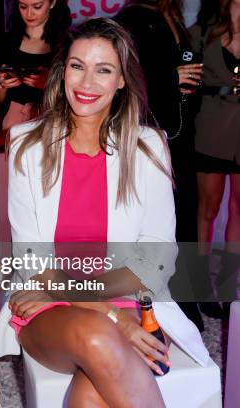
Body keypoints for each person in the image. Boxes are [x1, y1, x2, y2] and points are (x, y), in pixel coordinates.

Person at [0, 18, 210, 406]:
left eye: (103, 69)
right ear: (62, 73)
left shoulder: (147, 146)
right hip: (46, 306)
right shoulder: (27, 144)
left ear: (122, 79)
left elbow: (159, 255)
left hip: (116, 299)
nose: (86, 82)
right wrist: (109, 315)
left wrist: (104, 307)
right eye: (77, 66)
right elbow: (31, 260)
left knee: (93, 390)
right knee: (98, 335)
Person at [116, 0, 217, 327]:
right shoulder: (133, 18)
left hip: (181, 133)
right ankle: (170, 307)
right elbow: (129, 77)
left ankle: (188, 301)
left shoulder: (171, 16)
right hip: (154, 136)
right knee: (165, 224)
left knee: (185, 219)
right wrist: (170, 79)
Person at [191, 0, 240, 303]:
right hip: (210, 127)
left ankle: (228, 284)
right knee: (206, 210)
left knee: (239, 210)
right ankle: (198, 286)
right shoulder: (203, 30)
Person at [0, 0, 71, 130]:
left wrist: (49, 84)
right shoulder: (7, 41)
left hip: (50, 123)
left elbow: (70, 99)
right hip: (12, 124)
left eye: (37, 6)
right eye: (23, 6)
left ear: (52, 3)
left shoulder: (66, 44)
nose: (29, 13)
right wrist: (2, 85)